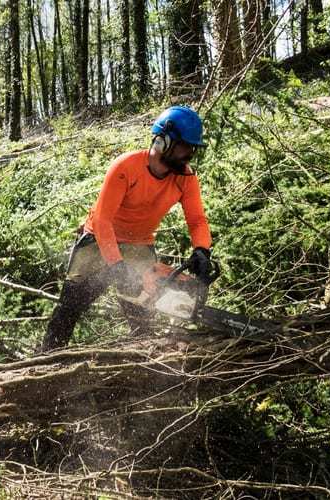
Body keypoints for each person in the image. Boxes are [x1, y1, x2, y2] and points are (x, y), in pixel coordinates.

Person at [41, 105, 214, 352]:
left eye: (192, 148)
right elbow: (102, 220)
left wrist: (201, 251)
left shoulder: (186, 178)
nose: (190, 153)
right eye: (186, 146)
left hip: (139, 244)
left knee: (142, 314)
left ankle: (142, 362)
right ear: (164, 141)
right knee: (70, 306)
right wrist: (116, 264)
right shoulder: (126, 167)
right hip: (99, 239)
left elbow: (197, 220)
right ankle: (47, 357)